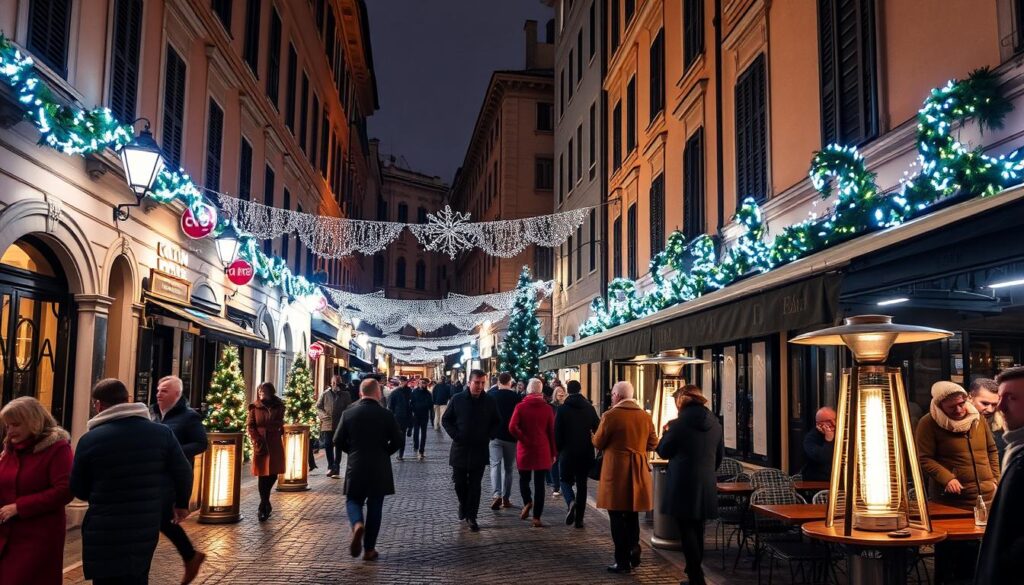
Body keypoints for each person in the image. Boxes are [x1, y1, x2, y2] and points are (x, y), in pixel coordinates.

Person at [70, 379, 192, 585]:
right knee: (137, 576)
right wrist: (181, 504)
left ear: (98, 405)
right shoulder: (161, 433)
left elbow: (78, 489)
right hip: (145, 523)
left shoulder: (90, 439)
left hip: (104, 528)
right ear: (127, 400)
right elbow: (183, 471)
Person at [0, 397, 73, 585]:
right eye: (7, 426)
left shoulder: (57, 448)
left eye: (15, 425)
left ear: (33, 421)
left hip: (38, 536)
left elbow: (65, 490)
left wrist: (20, 507)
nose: (10, 431)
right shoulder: (11, 447)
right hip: (7, 533)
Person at [656, 385, 723, 585]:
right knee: (698, 528)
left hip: (683, 484)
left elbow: (664, 451)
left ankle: (696, 577)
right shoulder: (715, 424)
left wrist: (664, 433)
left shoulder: (677, 424)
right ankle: (695, 572)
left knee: (686, 531)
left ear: (681, 401)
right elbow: (719, 457)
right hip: (706, 483)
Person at [335, 378, 404, 561]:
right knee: (375, 506)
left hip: (356, 465)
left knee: (353, 500)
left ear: (360, 393)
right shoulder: (386, 415)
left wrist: (351, 451)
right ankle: (369, 549)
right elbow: (398, 441)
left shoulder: (349, 413)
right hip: (379, 467)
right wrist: (385, 453)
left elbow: (337, 440)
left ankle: (357, 524)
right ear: (378, 393)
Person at [593, 381, 658, 574]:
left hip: (616, 470)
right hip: (638, 469)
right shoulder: (645, 416)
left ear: (618, 396)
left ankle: (621, 561)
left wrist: (593, 438)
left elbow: (598, 441)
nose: (611, 397)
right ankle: (634, 546)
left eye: (612, 394)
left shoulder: (610, 416)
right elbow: (653, 442)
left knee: (615, 514)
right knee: (632, 513)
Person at [150, 376, 208, 583]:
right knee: (162, 519)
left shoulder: (188, 417)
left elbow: (201, 443)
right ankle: (191, 556)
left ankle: (190, 556)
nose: (158, 393)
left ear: (177, 394)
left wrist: (172, 452)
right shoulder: (151, 413)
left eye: (164, 390)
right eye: (158, 389)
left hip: (173, 478)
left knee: (160, 518)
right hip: (154, 475)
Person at [915, 381, 1000, 509]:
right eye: (952, 406)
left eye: (961, 404)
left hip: (988, 496)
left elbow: (991, 450)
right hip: (952, 500)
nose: (959, 410)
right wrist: (947, 479)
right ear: (940, 405)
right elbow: (924, 458)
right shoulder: (928, 423)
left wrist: (995, 480)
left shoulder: (977, 417)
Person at [975, 366, 1024, 584]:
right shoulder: (1015, 448)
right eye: (1000, 398)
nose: (1000, 407)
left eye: (1011, 398)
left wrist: (1004, 564)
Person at [442, 369, 500, 532]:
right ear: (469, 382)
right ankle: (463, 503)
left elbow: (497, 421)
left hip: (479, 449)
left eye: (483, 383)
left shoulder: (489, 401)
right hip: (460, 448)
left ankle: (472, 516)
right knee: (459, 483)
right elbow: (446, 419)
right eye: (477, 383)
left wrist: (489, 435)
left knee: (475, 485)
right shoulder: (458, 399)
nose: (480, 386)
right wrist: (456, 435)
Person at [509, 378, 556, 528]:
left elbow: (512, 427)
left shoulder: (520, 407)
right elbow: (551, 432)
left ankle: (527, 502)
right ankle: (537, 517)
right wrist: (554, 452)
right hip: (542, 449)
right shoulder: (547, 409)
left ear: (528, 390)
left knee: (524, 479)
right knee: (540, 484)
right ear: (541, 391)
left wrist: (523, 438)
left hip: (525, 449)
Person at [555, 379, 600, 528]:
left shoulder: (562, 409)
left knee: (564, 480)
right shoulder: (589, 408)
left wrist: (559, 450)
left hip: (567, 452)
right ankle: (579, 520)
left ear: (568, 390)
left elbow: (557, 433)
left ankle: (570, 501)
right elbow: (598, 428)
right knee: (582, 485)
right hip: (585, 452)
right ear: (580, 390)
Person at [248, 382, 286, 522]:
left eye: (263, 391)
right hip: (261, 444)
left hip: (274, 442)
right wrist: (257, 438)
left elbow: (279, 422)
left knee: (273, 474)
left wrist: (272, 428)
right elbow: (251, 425)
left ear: (270, 392)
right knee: (262, 475)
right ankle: (264, 505)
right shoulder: (254, 407)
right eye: (259, 391)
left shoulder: (279, 405)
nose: (261, 393)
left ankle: (265, 503)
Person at [487, 372, 521, 510]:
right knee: (508, 468)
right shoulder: (516, 397)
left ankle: (496, 494)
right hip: (511, 437)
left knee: (495, 465)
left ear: (499, 382)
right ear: (510, 382)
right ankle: (506, 498)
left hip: (495, 436)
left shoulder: (491, 396)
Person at [316, 375, 352, 478]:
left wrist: (345, 419)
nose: (336, 385)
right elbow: (318, 406)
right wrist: (323, 416)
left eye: (338, 383)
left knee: (339, 445)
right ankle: (330, 466)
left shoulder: (345, 395)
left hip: (340, 424)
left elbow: (349, 408)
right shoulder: (325, 394)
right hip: (327, 423)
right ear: (331, 383)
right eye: (334, 383)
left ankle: (336, 467)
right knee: (328, 445)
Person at [970, 378, 1006, 459]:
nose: (990, 410)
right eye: (985, 403)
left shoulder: (1003, 428)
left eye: (994, 404)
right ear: (970, 398)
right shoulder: (954, 424)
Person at [801, 407, 836, 482]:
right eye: (828, 421)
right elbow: (824, 458)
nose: (834, 423)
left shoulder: (840, 433)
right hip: (818, 480)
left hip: (837, 479)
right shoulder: (810, 439)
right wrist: (829, 440)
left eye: (835, 419)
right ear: (819, 424)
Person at [547, 385, 568, 497]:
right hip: (554, 437)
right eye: (558, 392)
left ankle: (563, 483)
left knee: (563, 461)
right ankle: (556, 485)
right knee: (554, 462)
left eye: (562, 392)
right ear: (555, 394)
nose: (560, 393)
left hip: (565, 438)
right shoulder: (551, 406)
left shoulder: (566, 406)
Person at [388, 377, 414, 461]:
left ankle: (401, 454)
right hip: (398, 417)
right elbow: (390, 406)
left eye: (404, 381)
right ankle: (397, 451)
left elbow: (412, 404)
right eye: (401, 381)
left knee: (402, 436)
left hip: (406, 417)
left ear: (406, 382)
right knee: (398, 435)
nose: (402, 383)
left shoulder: (409, 391)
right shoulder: (395, 392)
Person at [409, 378, 433, 460]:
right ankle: (416, 445)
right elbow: (411, 403)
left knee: (423, 433)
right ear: (418, 383)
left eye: (424, 383)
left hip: (424, 415)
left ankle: (421, 449)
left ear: (426, 384)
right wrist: (413, 410)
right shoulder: (414, 392)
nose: (422, 384)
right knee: (416, 431)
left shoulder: (428, 394)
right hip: (416, 415)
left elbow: (430, 405)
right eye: (421, 383)